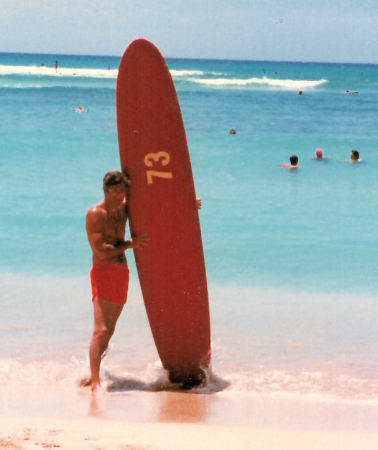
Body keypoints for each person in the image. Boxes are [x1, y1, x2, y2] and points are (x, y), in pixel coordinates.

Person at [86, 170, 149, 391]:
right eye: (114, 191)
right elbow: (101, 251)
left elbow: (158, 209)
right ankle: (95, 382)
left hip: (122, 272)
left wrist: (191, 203)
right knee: (101, 329)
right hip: (104, 271)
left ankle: (95, 373)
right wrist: (129, 245)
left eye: (122, 190)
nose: (119, 195)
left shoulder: (124, 209)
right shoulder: (96, 214)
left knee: (110, 329)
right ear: (105, 190)